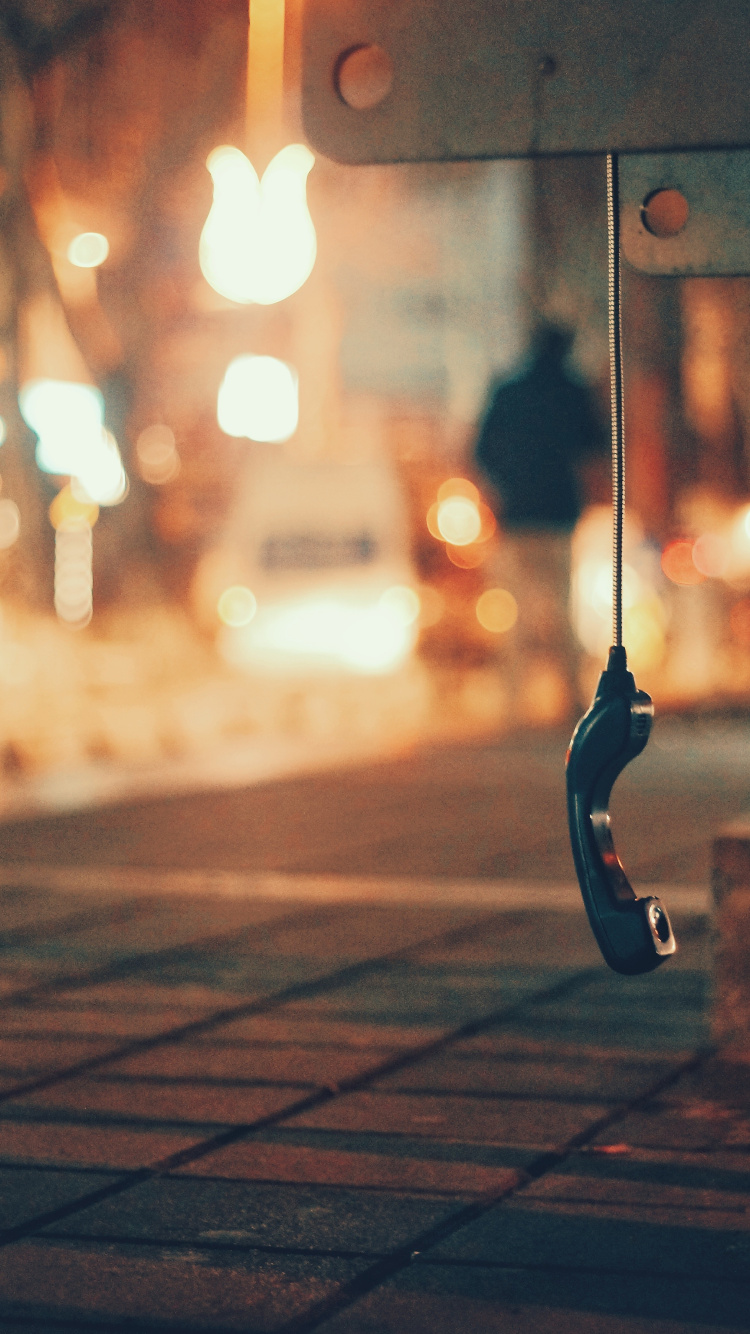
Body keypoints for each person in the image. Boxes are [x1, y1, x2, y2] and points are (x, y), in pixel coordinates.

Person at [475, 324, 607, 722]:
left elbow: (481, 449)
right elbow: (596, 447)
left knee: (516, 611)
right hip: (559, 515)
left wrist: (501, 489)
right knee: (564, 608)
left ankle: (513, 705)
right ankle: (570, 699)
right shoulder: (572, 391)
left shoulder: (508, 390)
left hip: (516, 518)